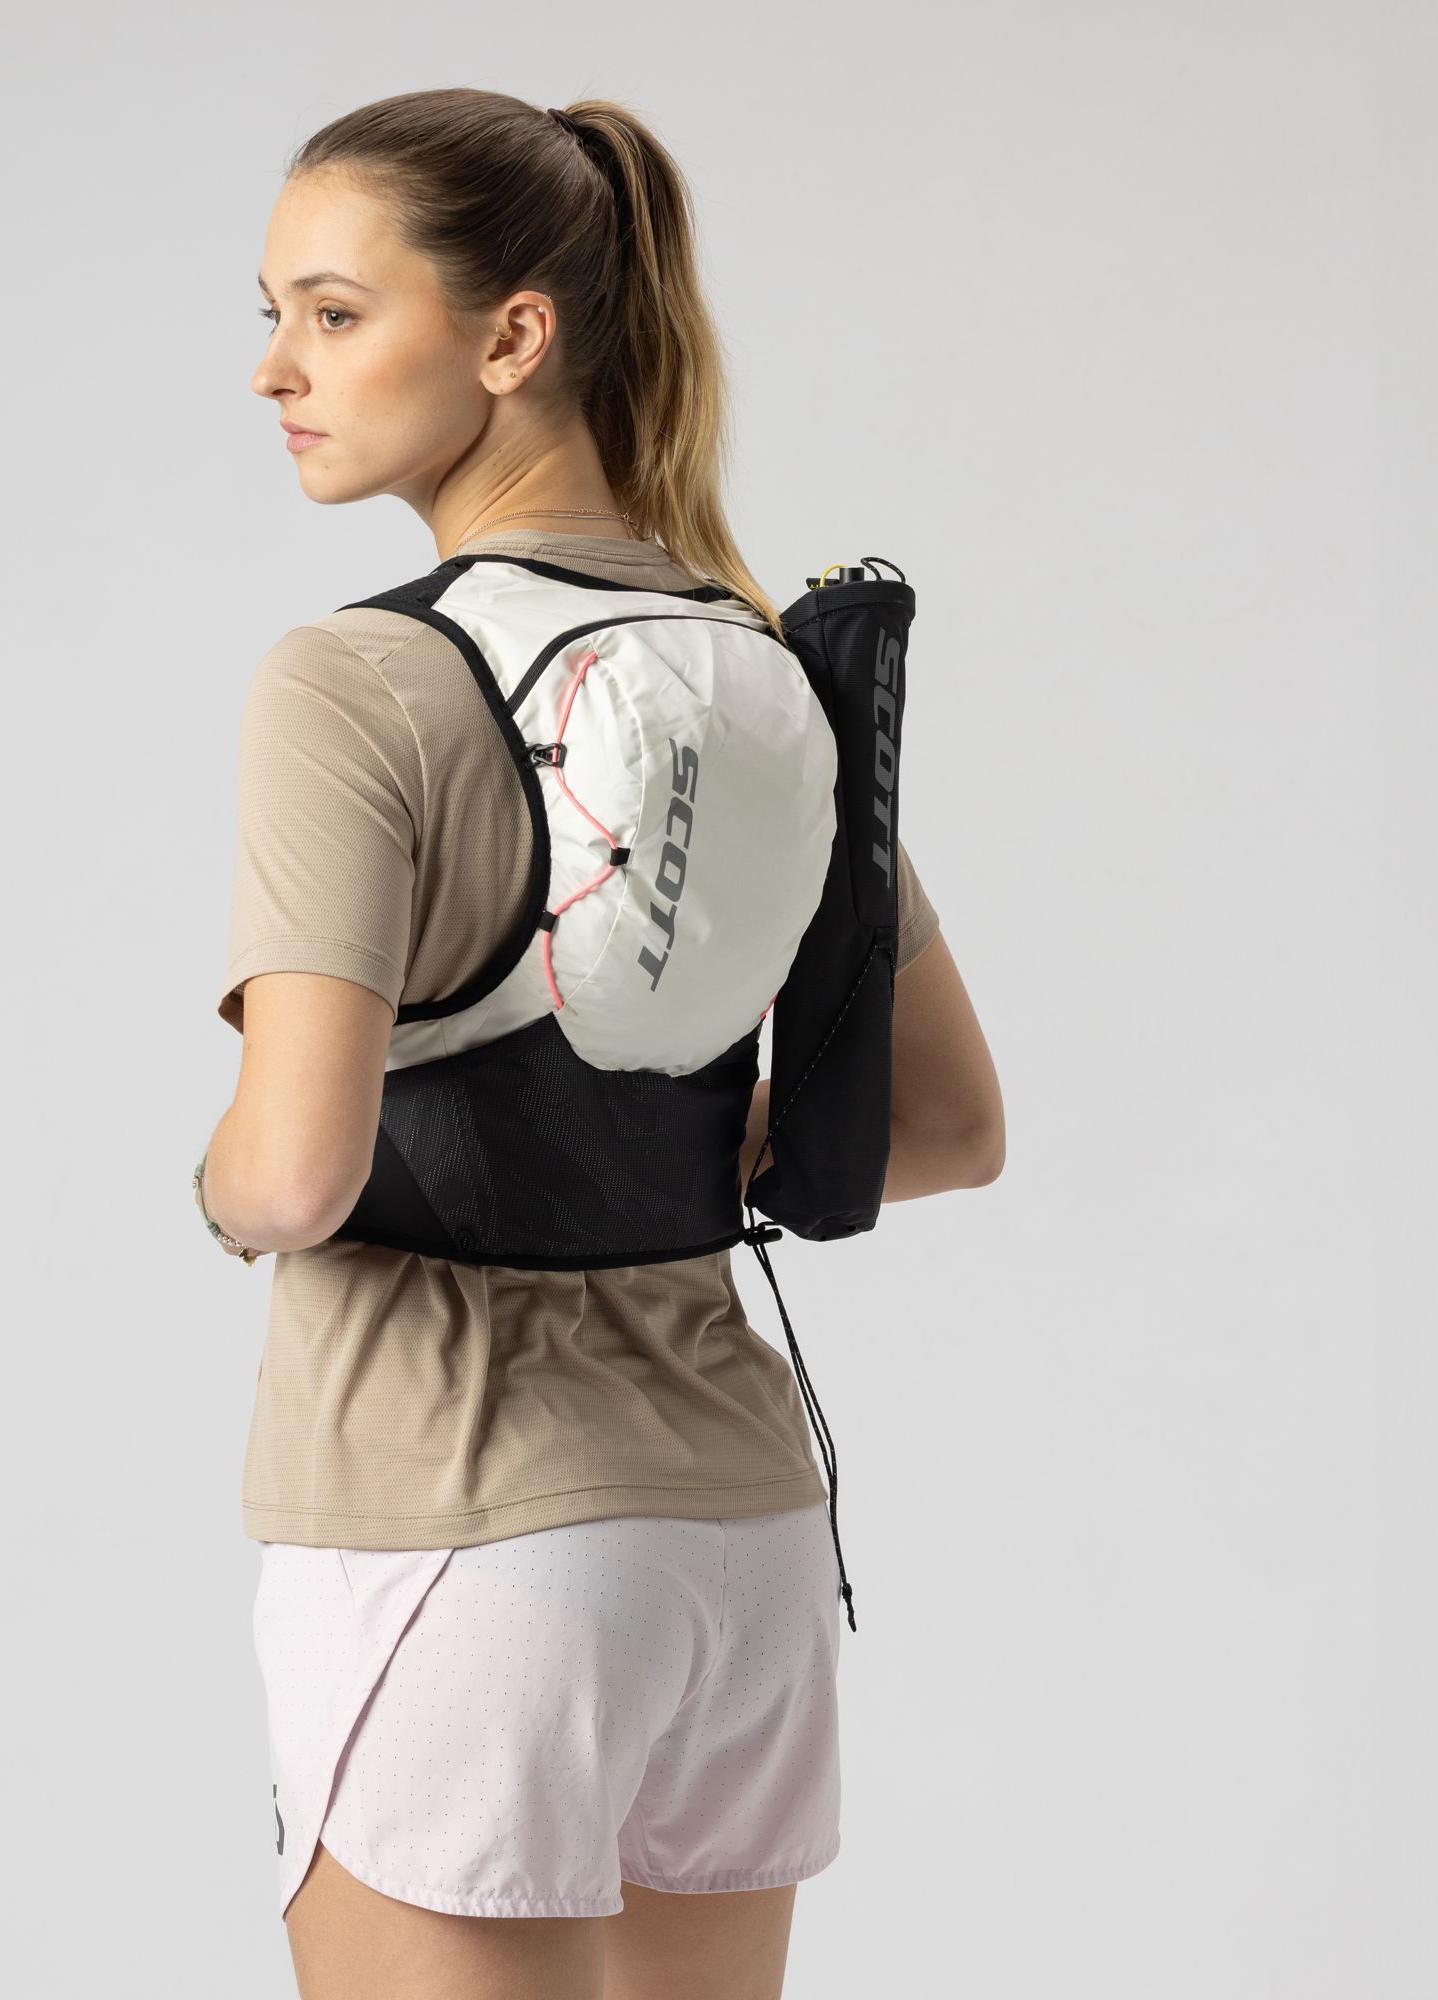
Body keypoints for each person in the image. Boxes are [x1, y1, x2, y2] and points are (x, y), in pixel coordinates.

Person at [198, 87, 1005, 2000]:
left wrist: (221, 1186)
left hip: (455, 1529)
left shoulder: (360, 680)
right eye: (274, 315)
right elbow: (949, 1123)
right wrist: (674, 1139)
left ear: (514, 336)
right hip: (740, 1542)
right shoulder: (760, 665)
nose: (275, 369)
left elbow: (293, 1175)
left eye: (332, 313)